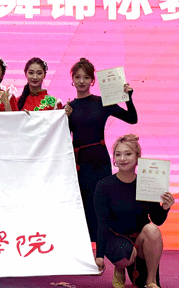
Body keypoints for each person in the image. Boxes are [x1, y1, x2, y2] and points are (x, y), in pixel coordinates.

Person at [64, 57, 137, 245]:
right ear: (72, 80)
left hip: (100, 162)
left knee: (101, 205)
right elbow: (62, 139)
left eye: (86, 77)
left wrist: (128, 97)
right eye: (78, 77)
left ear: (92, 80)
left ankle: (102, 251)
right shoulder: (69, 108)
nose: (81, 81)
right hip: (78, 164)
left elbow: (132, 118)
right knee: (82, 205)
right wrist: (62, 117)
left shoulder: (103, 102)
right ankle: (83, 248)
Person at [94, 134, 174, 288]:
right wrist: (99, 256)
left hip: (140, 241)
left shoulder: (147, 183)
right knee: (123, 254)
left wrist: (165, 208)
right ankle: (120, 268)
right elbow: (102, 223)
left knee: (152, 230)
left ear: (138, 158)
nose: (122, 158)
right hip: (116, 240)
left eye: (128, 154)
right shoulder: (104, 186)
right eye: (118, 154)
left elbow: (157, 220)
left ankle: (151, 281)